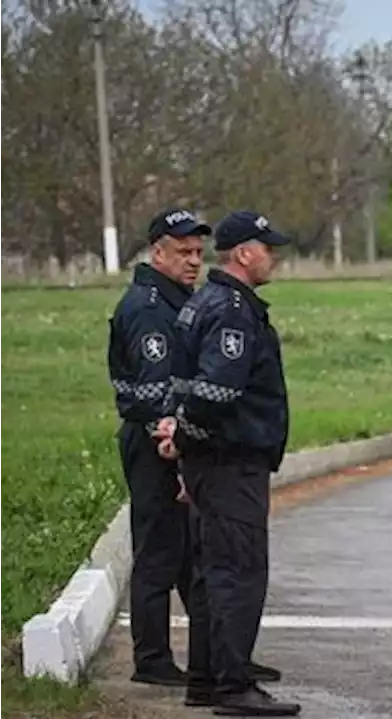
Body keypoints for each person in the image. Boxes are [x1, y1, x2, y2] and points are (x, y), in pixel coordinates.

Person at [155, 210, 297, 716]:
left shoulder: (205, 303)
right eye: (267, 248)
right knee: (238, 571)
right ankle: (234, 686)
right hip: (231, 462)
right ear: (244, 253)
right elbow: (216, 392)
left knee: (212, 572)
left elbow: (183, 386)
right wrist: (190, 439)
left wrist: (182, 440)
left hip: (212, 462)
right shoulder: (233, 310)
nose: (273, 256)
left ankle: (206, 681)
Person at [107, 208, 209, 686]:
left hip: (172, 438)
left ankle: (214, 655)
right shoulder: (150, 308)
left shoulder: (173, 300)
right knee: (158, 552)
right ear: (157, 252)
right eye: (183, 252)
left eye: (198, 253)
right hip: (156, 444)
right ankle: (152, 660)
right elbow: (154, 393)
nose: (193, 262)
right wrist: (173, 441)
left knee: (188, 551)